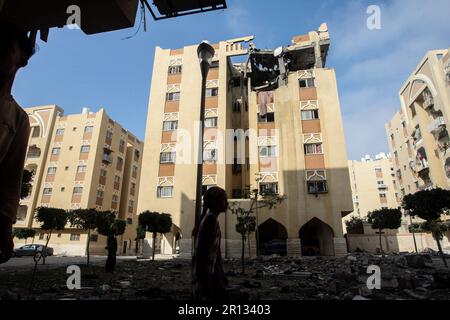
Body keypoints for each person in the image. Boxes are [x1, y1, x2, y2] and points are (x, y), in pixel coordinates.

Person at [0, 22, 34, 264]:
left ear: (22, 59)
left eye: (4, 47)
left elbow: (10, 179)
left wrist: (4, 227)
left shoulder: (18, 119)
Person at [192, 186, 229, 300]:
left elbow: (215, 252)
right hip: (206, 276)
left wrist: (221, 273)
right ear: (215, 202)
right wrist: (207, 282)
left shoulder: (212, 219)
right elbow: (202, 254)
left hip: (211, 274)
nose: (227, 203)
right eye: (224, 199)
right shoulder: (210, 220)